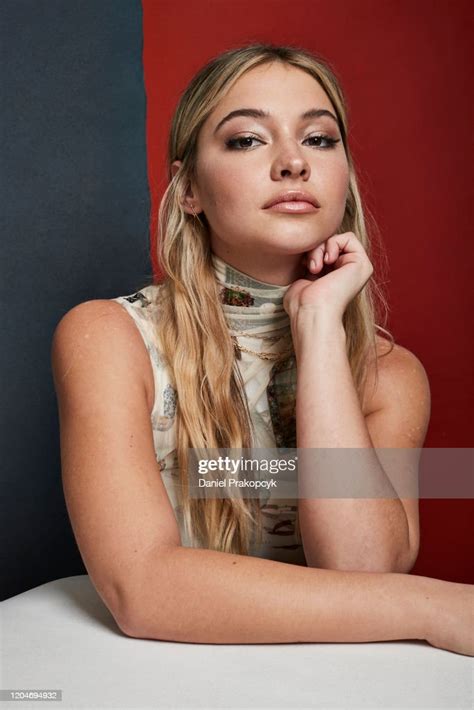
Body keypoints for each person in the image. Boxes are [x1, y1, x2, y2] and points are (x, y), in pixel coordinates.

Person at [51, 43, 473, 655]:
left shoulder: (390, 375)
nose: (293, 163)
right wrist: (437, 606)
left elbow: (360, 569)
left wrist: (321, 328)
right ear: (189, 188)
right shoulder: (109, 339)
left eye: (321, 140)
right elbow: (141, 589)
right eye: (247, 139)